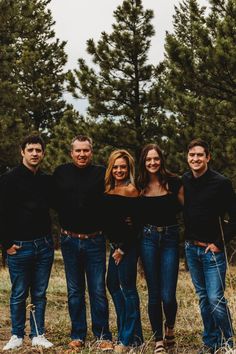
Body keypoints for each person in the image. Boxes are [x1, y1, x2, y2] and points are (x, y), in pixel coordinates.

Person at [53, 135, 112, 351]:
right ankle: (77, 334)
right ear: (71, 152)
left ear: (91, 152)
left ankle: (103, 335)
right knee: (75, 290)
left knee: (97, 289)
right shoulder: (61, 172)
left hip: (94, 240)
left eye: (85, 150)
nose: (82, 154)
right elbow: (53, 201)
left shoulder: (101, 173)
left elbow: (111, 203)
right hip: (69, 240)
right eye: (78, 150)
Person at [0, 135, 54, 351]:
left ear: (42, 153)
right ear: (22, 152)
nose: (34, 153)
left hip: (44, 245)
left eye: (38, 150)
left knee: (40, 293)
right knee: (19, 292)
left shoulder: (46, 180)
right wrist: (6, 245)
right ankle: (16, 334)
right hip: (19, 247)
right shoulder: (8, 179)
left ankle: (38, 334)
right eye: (30, 149)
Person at [183, 138, 236, 354]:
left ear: (208, 157)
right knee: (203, 298)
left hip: (211, 251)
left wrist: (218, 244)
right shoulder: (185, 180)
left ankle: (229, 342)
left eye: (199, 155)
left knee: (215, 298)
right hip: (191, 249)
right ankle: (211, 342)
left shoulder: (221, 183)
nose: (195, 159)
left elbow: (234, 218)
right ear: (188, 157)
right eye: (192, 155)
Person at [138, 144, 183, 354]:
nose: (152, 163)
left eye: (156, 159)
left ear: (161, 160)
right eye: (148, 160)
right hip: (147, 239)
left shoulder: (174, 182)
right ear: (143, 162)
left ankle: (170, 329)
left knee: (168, 294)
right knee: (154, 294)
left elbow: (189, 207)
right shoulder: (139, 185)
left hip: (170, 239)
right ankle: (158, 339)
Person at [104, 149, 143, 353]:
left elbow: (136, 226)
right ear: (111, 168)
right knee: (112, 284)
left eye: (123, 167)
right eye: (116, 166)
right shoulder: (108, 188)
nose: (119, 170)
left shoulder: (131, 190)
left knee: (128, 289)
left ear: (129, 169)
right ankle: (132, 334)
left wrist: (122, 249)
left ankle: (127, 339)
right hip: (114, 245)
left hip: (126, 247)